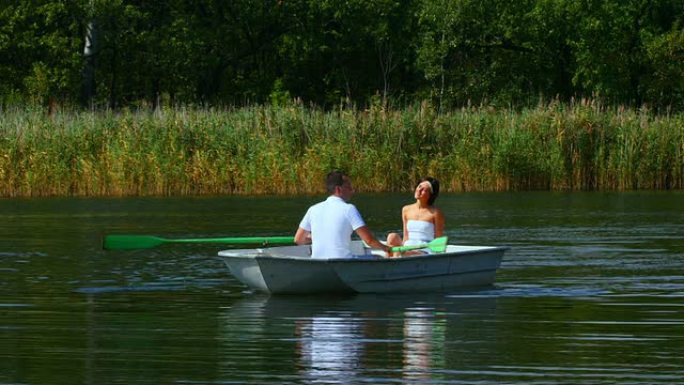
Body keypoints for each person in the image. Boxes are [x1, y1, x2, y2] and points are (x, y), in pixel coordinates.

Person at [294, 170, 390, 258]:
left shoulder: (313, 209)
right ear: (338, 189)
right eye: (349, 187)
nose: (352, 191)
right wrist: (386, 248)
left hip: (318, 262)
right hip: (342, 262)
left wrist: (316, 237)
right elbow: (369, 241)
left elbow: (298, 240)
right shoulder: (349, 209)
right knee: (379, 257)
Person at [386, 177, 445, 257]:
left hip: (424, 250)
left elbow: (439, 241)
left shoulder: (436, 213)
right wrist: (403, 248)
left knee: (399, 253)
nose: (419, 190)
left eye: (424, 189)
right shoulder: (406, 209)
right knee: (392, 236)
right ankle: (386, 263)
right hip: (407, 247)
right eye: (419, 186)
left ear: (430, 195)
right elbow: (406, 236)